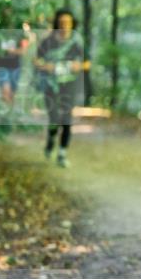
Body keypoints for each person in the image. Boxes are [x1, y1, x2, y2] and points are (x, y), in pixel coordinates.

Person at [35, 9, 89, 168]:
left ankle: (62, 153)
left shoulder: (77, 42)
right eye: (62, 23)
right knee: (53, 118)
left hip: (69, 85)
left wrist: (78, 66)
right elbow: (36, 60)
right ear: (57, 24)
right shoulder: (48, 41)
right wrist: (46, 66)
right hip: (51, 85)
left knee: (66, 118)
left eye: (68, 23)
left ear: (72, 24)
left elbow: (87, 63)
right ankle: (51, 139)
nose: (65, 26)